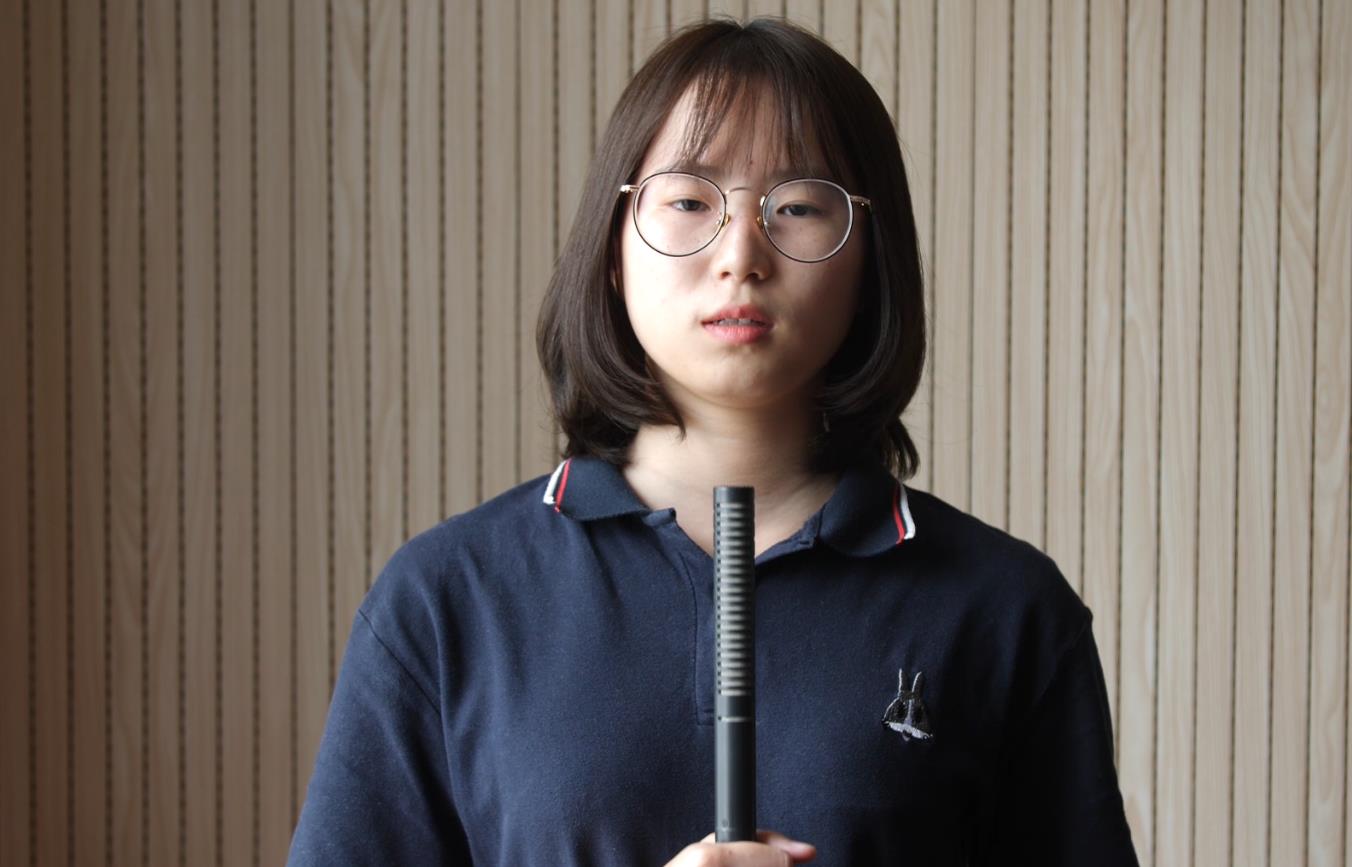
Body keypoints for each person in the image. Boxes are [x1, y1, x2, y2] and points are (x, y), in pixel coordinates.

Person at [286, 16, 1139, 867]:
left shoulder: (1006, 610)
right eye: (690, 200)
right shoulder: (449, 599)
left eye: (797, 206)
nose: (741, 254)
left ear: (870, 258)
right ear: (614, 248)